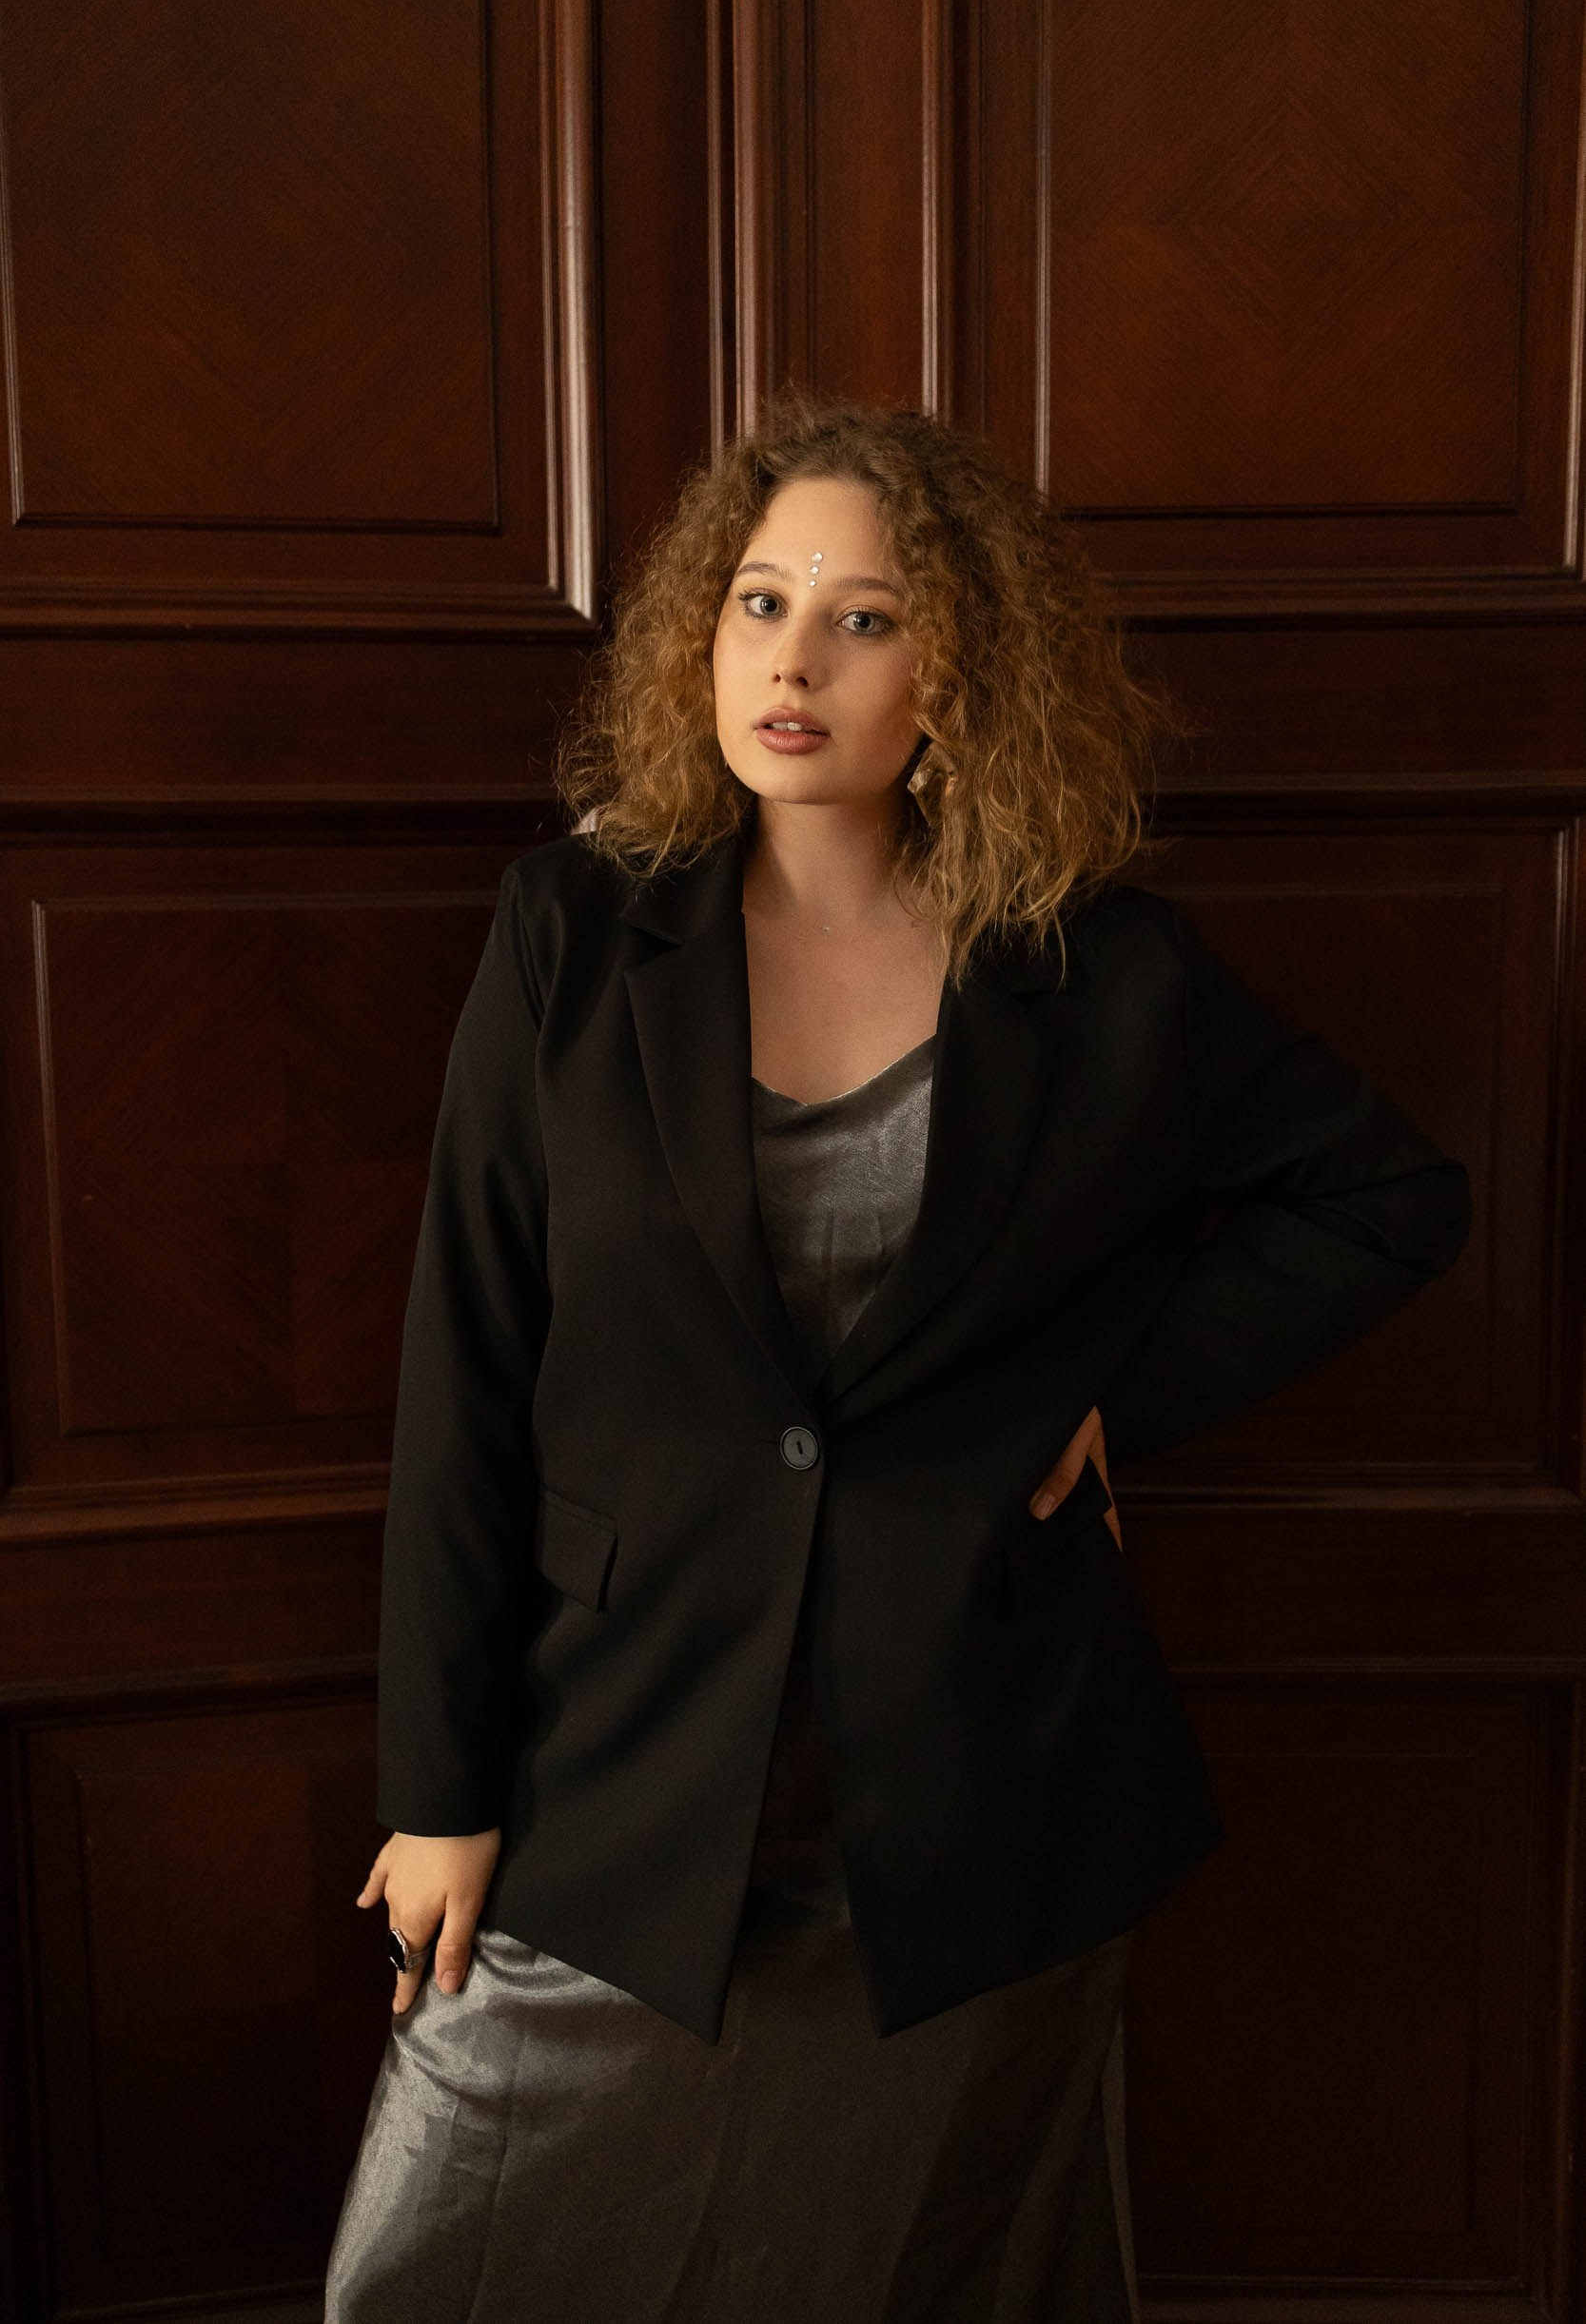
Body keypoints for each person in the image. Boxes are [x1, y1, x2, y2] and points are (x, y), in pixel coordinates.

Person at [323, 389, 1471, 2322]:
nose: (794, 660)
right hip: (618, 1761)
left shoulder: (1099, 969)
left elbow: (1389, 1198)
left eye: (866, 617)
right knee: (434, 2274)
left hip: (977, 1794)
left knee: (928, 2281)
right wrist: (439, 1789)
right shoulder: (570, 936)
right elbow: (467, 1367)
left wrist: (1109, 1399)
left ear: (958, 672)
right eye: (760, 602)